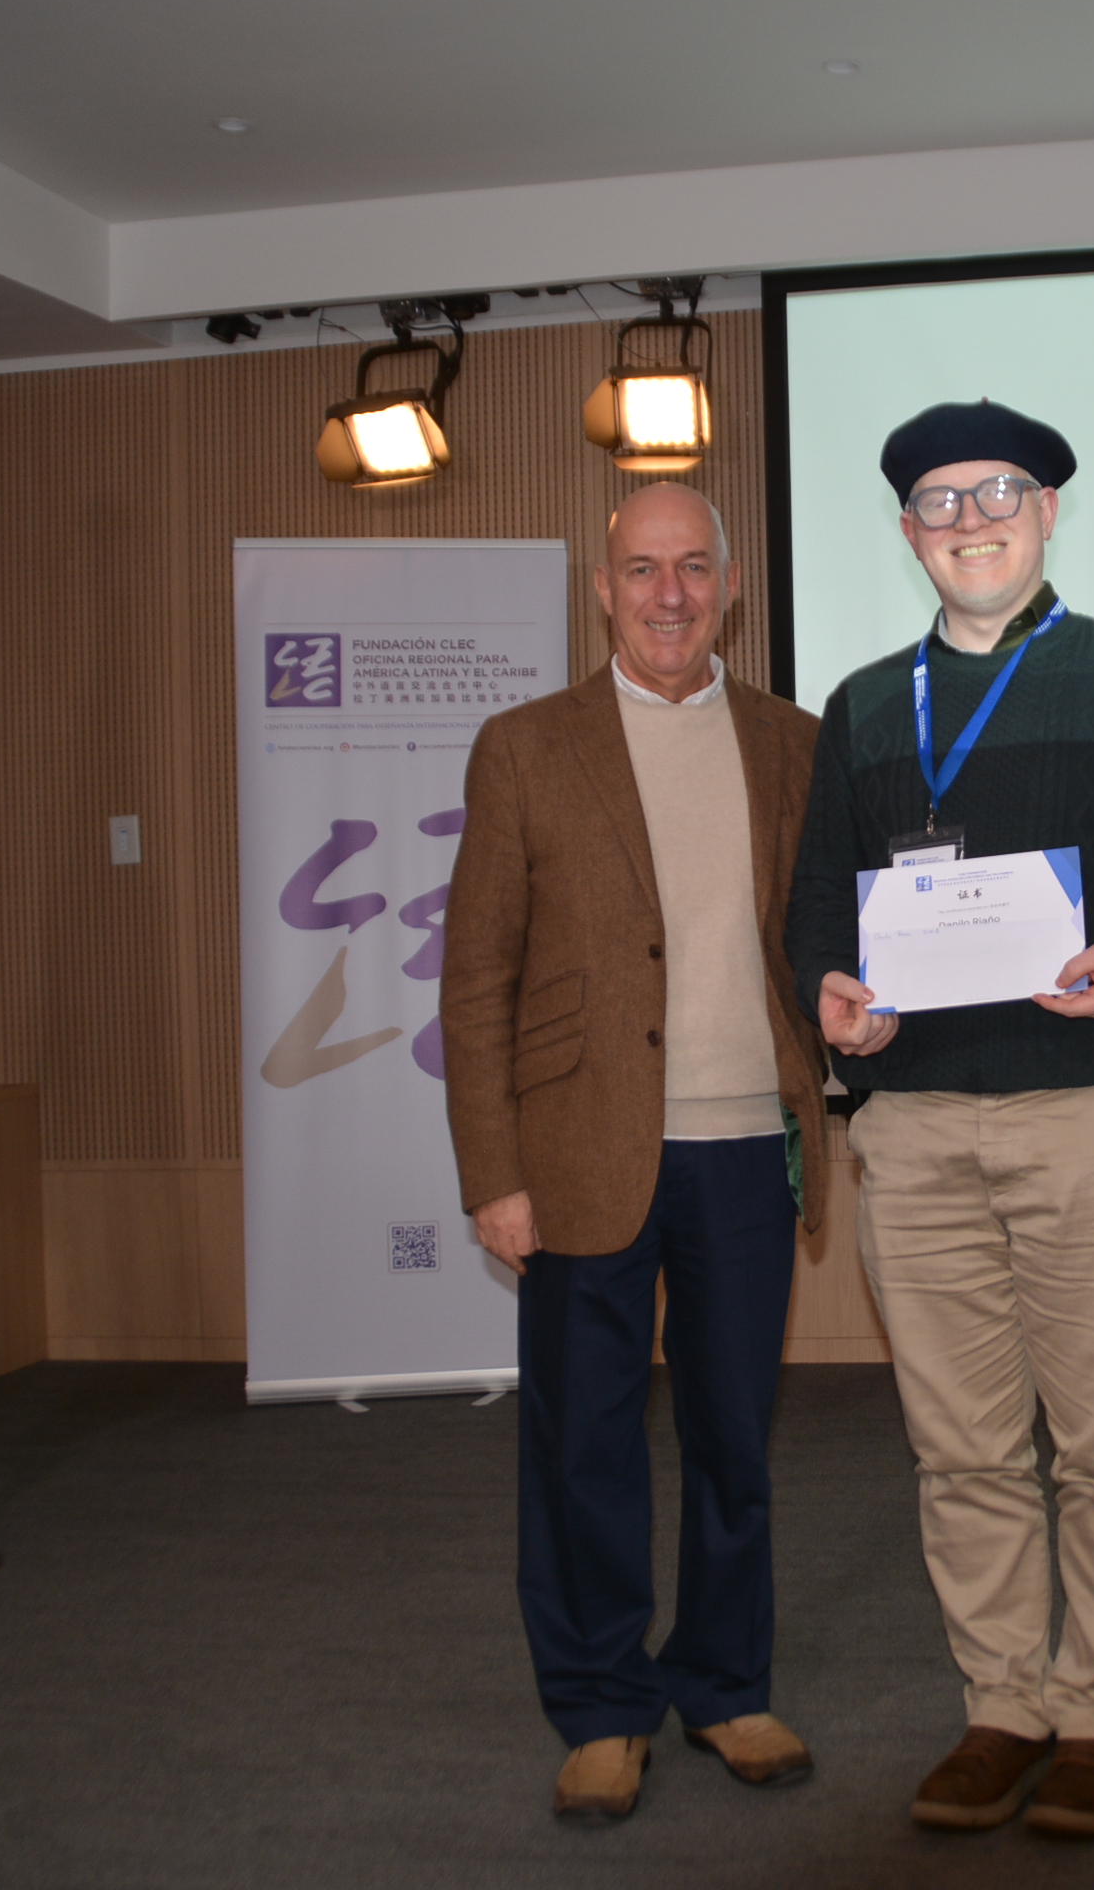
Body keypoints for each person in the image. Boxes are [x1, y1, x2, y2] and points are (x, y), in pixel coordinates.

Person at [785, 401, 1094, 1840]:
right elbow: (816, 906)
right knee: (962, 1451)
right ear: (908, 533)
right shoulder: (865, 705)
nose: (971, 519)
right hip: (917, 1131)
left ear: (1047, 510)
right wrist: (829, 991)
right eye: (939, 502)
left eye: (998, 492)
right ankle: (1003, 1704)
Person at [439, 482, 832, 1823]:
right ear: (602, 590)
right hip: (578, 1154)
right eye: (643, 570)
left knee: (733, 1439)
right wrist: (493, 1172)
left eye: (693, 568)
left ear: (730, 587)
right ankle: (602, 1704)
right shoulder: (524, 748)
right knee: (583, 1443)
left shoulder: (793, 742)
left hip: (746, 1147)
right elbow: (475, 979)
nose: (670, 594)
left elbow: (823, 938)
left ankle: (724, 1683)